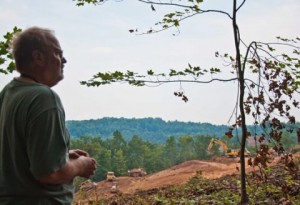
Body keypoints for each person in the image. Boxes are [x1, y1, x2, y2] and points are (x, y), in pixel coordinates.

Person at [0, 27, 97, 205]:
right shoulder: (44, 97)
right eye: (58, 53)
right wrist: (80, 165)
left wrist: (60, 155)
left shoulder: (8, 93)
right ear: (38, 57)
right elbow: (50, 174)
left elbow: (16, 154)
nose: (64, 60)